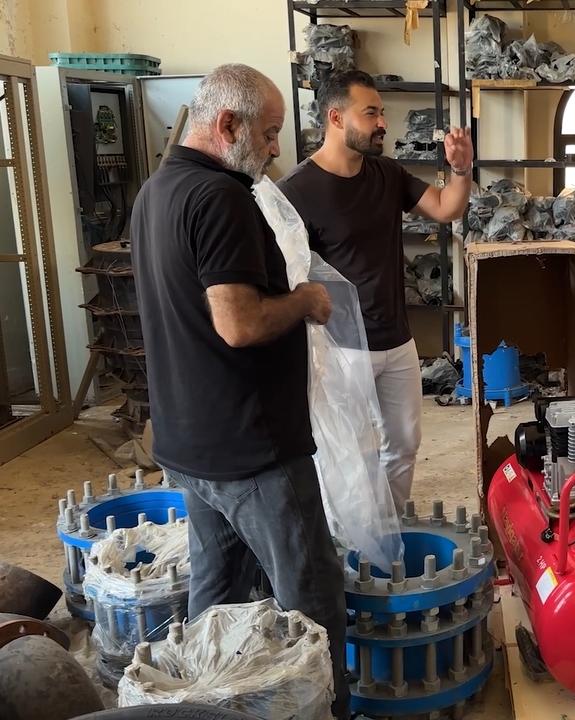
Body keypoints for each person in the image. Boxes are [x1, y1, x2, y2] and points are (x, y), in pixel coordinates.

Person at [130, 64, 349, 719]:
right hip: (253, 452)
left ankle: (210, 709)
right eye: (270, 132)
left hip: (190, 445)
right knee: (311, 599)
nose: (276, 149)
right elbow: (240, 323)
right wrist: (305, 299)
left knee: (217, 599)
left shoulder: (154, 193)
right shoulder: (220, 198)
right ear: (227, 124)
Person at [279, 70, 473, 513]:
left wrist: (461, 169)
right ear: (335, 117)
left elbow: (446, 207)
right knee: (350, 455)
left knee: (403, 445)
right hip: (343, 347)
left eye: (382, 112)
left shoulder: (387, 173)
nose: (383, 122)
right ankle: (349, 537)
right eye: (371, 113)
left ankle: (390, 528)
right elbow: (287, 274)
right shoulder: (297, 190)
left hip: (397, 341)